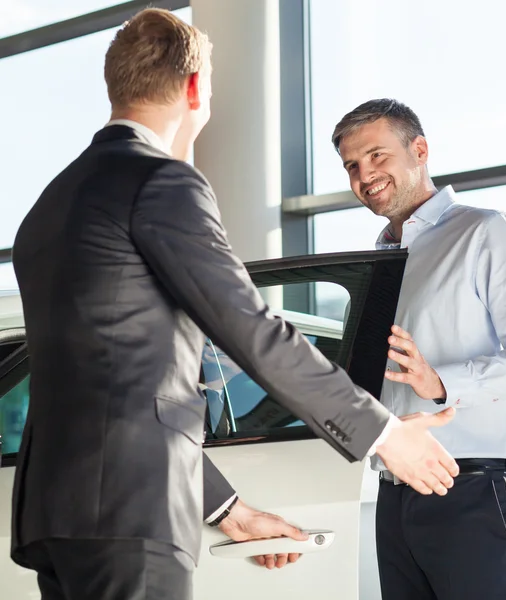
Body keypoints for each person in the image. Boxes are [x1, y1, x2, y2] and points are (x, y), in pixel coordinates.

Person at [10, 12, 460, 600]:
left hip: (56, 513)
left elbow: (106, 385)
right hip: (131, 511)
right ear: (194, 88)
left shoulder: (51, 205)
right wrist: (385, 435)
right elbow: (251, 330)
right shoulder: (161, 181)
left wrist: (229, 511)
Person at [332, 98, 506, 600]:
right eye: (352, 165)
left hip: (473, 491)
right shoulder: (378, 260)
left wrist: (443, 382)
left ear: (419, 150)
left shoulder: (486, 231)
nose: (364, 174)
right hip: (393, 494)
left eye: (377, 156)